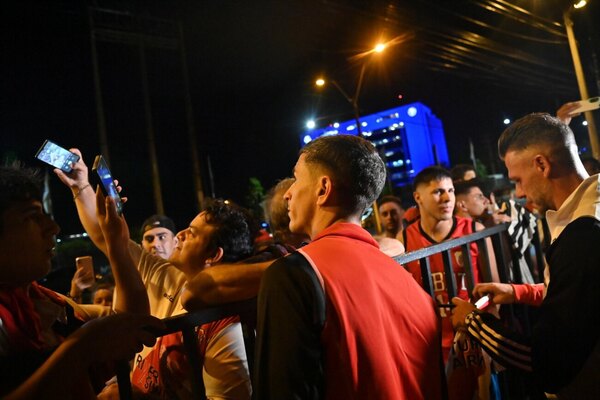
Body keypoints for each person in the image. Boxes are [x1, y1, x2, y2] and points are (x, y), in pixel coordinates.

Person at [255, 135, 443, 399]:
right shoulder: (413, 288)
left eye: (296, 179)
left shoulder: (295, 274)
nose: (288, 193)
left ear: (323, 189)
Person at [55, 150, 253, 399]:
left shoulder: (224, 325)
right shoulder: (162, 272)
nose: (180, 234)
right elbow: (105, 236)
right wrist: (81, 186)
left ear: (213, 255)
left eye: (192, 233)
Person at [452, 113, 600, 398]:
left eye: (518, 180)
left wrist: (473, 321)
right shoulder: (586, 211)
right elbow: (576, 293)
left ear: (542, 164)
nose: (518, 193)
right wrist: (516, 292)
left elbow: (545, 360)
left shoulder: (583, 232)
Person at [0, 164, 162, 399]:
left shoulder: (50, 303)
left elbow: (132, 322)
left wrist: (116, 243)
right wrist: (80, 349)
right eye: (32, 217)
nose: (53, 228)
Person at [401, 166, 498, 400]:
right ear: (418, 198)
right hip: (431, 347)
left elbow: (496, 290)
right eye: (437, 192)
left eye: (451, 191)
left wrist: (482, 324)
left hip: (474, 338)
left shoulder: (474, 230)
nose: (447, 198)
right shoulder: (404, 240)